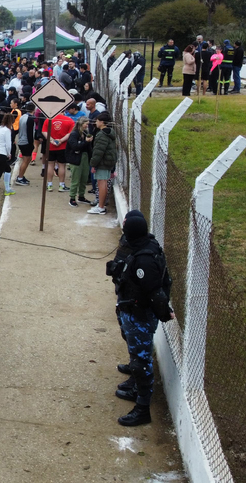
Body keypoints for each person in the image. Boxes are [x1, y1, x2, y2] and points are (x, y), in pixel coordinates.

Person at [108, 212, 175, 426]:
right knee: (135, 353)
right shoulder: (142, 245)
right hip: (131, 310)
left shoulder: (144, 261)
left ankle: (142, 407)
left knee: (141, 363)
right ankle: (136, 383)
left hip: (140, 314)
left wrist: (164, 313)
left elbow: (155, 292)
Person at [89, 111, 118, 214]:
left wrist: (93, 164)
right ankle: (101, 204)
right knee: (104, 183)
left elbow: (98, 151)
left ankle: (101, 207)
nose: (96, 122)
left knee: (101, 184)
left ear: (101, 122)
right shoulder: (110, 132)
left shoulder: (102, 135)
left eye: (97, 120)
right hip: (108, 161)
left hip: (102, 163)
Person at [65, 117, 93, 207]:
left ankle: (81, 196)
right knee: (75, 179)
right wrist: (85, 142)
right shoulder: (74, 134)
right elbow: (75, 146)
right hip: (76, 159)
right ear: (81, 124)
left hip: (84, 157)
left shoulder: (85, 133)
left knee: (84, 178)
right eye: (86, 124)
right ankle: (72, 198)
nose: (87, 126)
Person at [45, 110, 75, 192]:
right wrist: (61, 140)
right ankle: (61, 185)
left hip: (51, 146)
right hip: (63, 146)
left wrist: (52, 140)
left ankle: (49, 185)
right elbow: (70, 133)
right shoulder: (69, 120)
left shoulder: (49, 119)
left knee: (50, 165)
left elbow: (44, 131)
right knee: (62, 165)